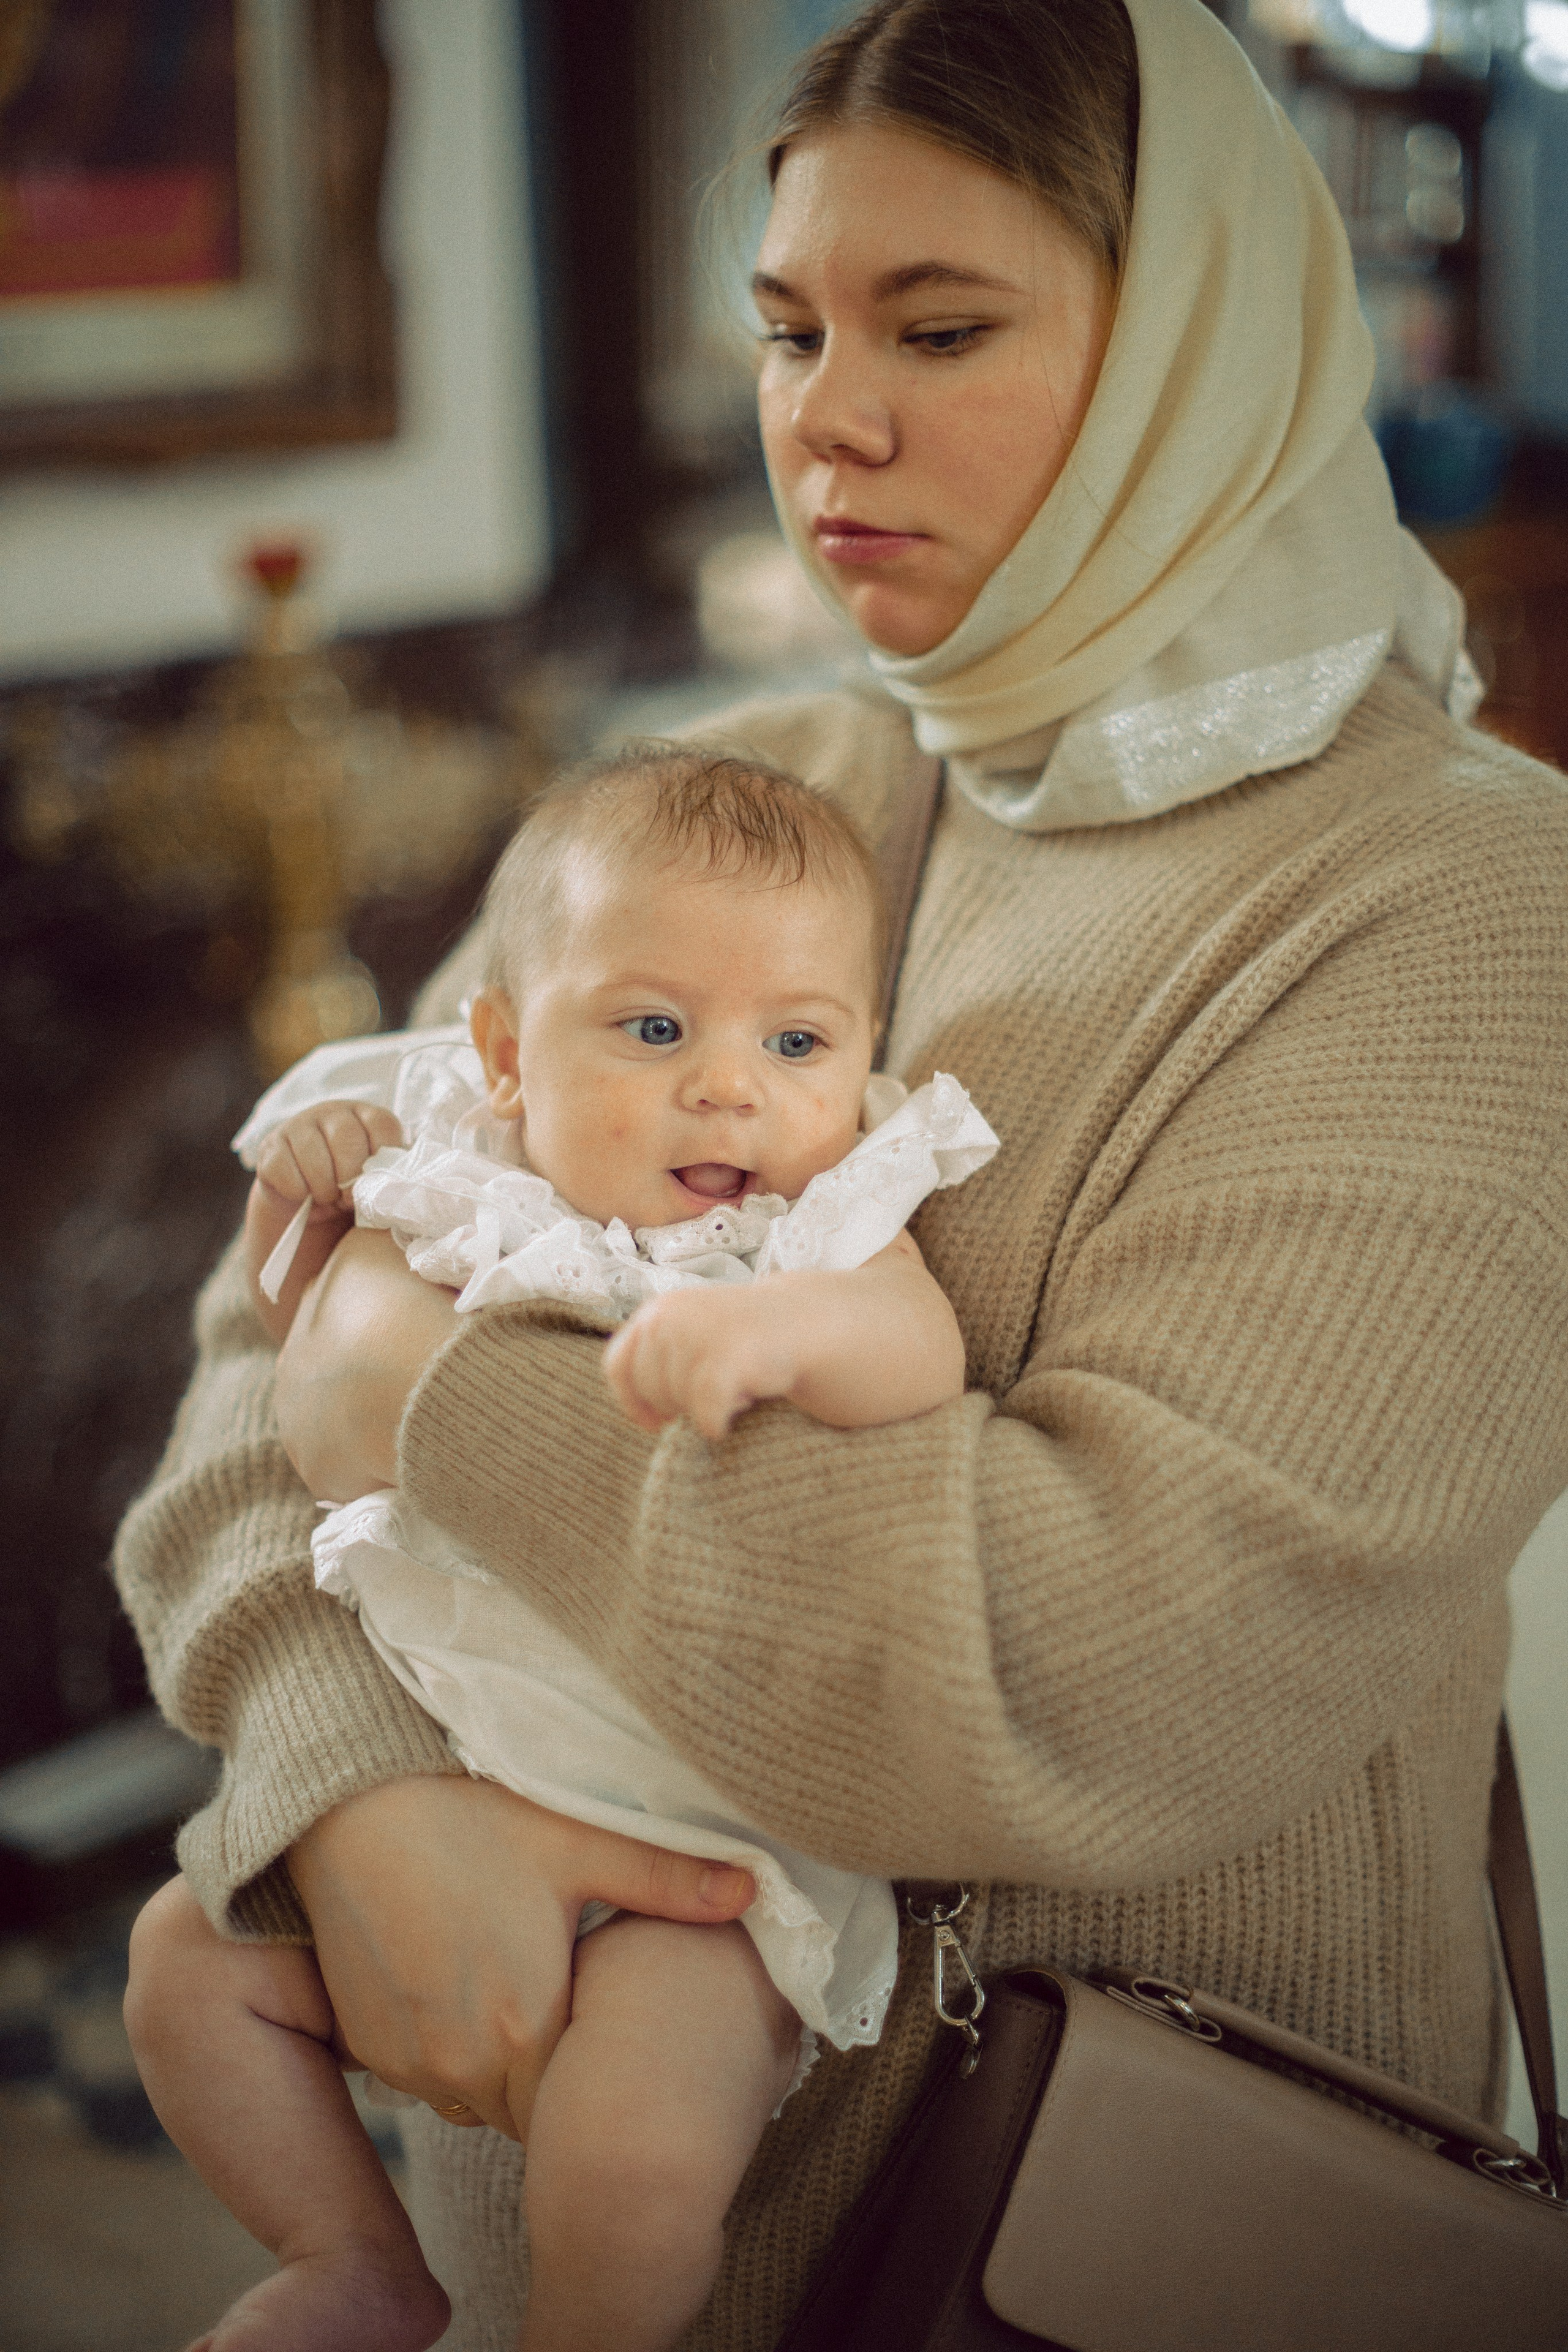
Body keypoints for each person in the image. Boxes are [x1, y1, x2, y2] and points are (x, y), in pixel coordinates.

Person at [113, 1, 1568, 2346]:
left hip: (1088, 2253)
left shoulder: (1466, 907)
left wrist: (417, 1387)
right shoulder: (747, 783)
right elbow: (229, 1374)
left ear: (1202, 345)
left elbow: (1067, 1681)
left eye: (941, 325)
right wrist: (357, 1779)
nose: (829, 418)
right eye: (791, 326)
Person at [124, 748, 997, 2352]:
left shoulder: (811, 1223)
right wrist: (306, 1220)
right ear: (509, 1052)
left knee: (639, 2155)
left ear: (863, 1053)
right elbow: (289, 1355)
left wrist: (782, 1329)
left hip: (697, 1856)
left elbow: (916, 1355)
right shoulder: (466, 1166)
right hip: (449, 1767)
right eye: (654, 1030)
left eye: (797, 1040)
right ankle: (351, 2261)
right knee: (186, 1963)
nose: (730, 1086)